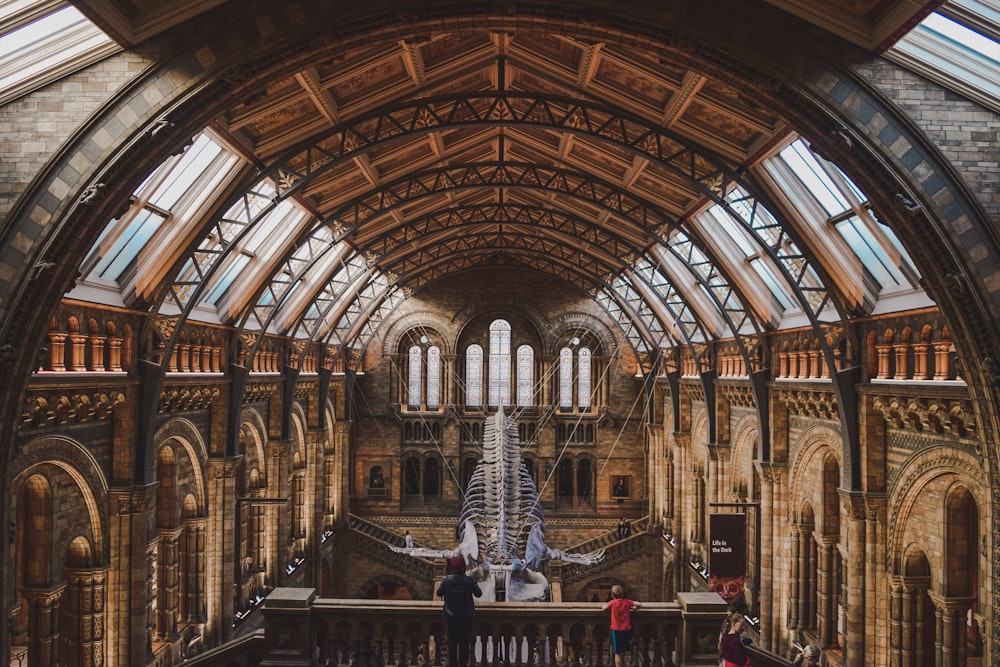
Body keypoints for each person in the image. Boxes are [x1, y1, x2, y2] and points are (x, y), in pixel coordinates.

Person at [437, 555, 482, 667]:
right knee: (464, 643)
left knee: (452, 643)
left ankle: (452, 664)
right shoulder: (469, 581)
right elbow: (478, 593)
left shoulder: (447, 580)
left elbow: (439, 593)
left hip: (451, 617)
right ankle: (463, 664)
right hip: (465, 617)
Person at [602, 584, 641, 667]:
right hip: (626, 629)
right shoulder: (626, 602)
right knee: (623, 653)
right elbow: (639, 604)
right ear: (622, 594)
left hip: (616, 630)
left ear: (612, 595)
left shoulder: (612, 603)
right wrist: (633, 607)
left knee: (618, 654)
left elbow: (603, 608)